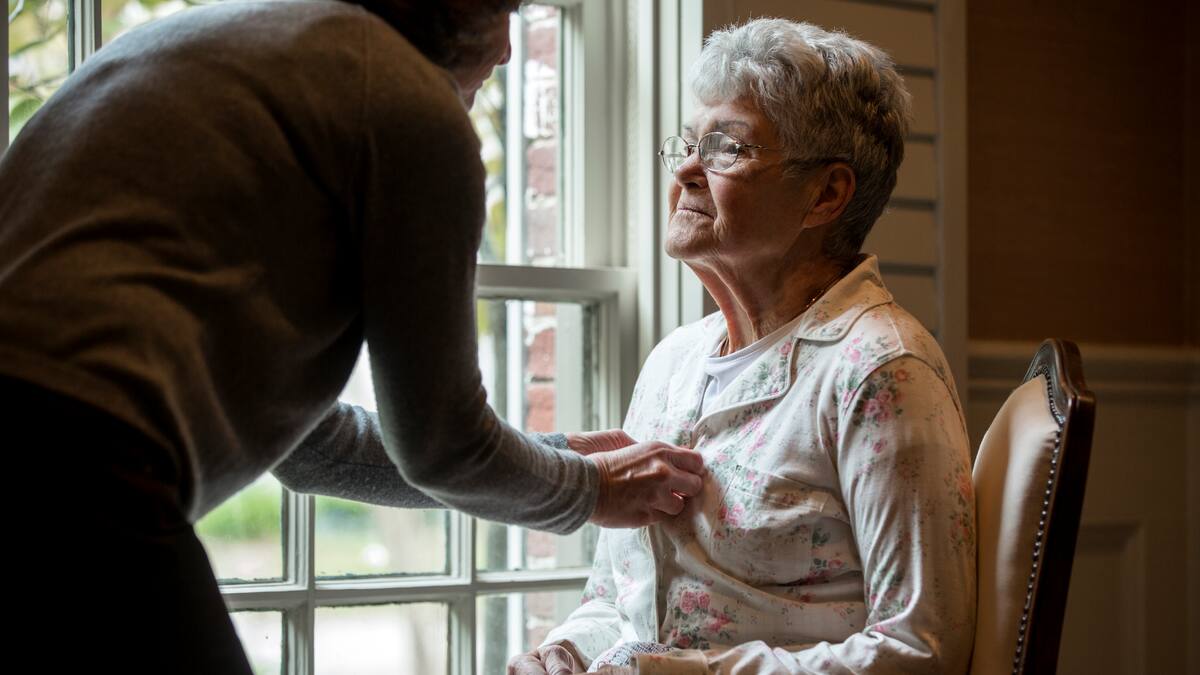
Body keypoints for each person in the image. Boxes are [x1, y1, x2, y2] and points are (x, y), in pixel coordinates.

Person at [0, 0, 703, 671]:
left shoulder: (196, 50)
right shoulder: (406, 102)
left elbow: (310, 450)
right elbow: (445, 447)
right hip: (75, 462)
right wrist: (587, 490)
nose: (511, 51)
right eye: (502, 15)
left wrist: (550, 455)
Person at [510, 18, 975, 675]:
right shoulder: (673, 361)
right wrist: (563, 651)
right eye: (690, 143)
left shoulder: (881, 370)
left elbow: (921, 650)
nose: (687, 170)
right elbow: (621, 600)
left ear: (826, 193)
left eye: (727, 147)